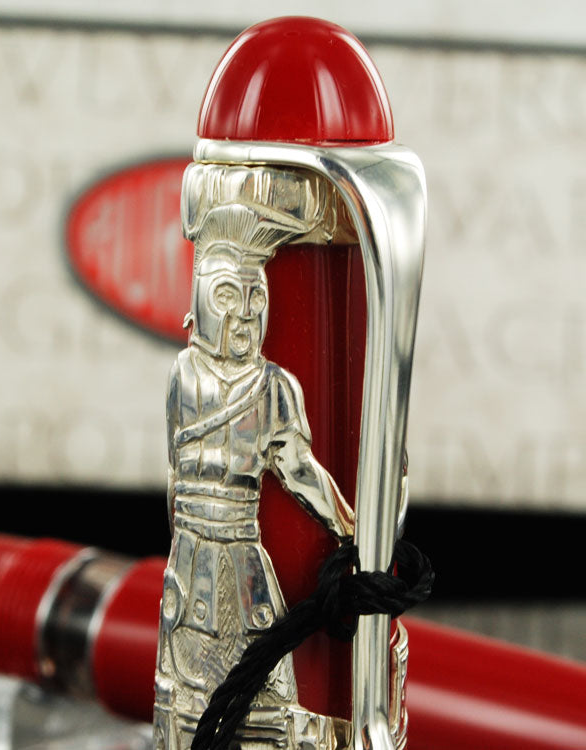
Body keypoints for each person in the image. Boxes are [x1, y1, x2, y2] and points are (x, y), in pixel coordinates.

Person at [154, 200, 354, 750]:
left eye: (255, 298)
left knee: (267, 699)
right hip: (189, 561)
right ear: (200, 301)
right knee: (186, 700)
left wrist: (354, 529)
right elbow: (175, 476)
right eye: (226, 297)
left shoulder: (274, 388)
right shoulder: (183, 376)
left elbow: (300, 470)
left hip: (242, 561)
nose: (243, 315)